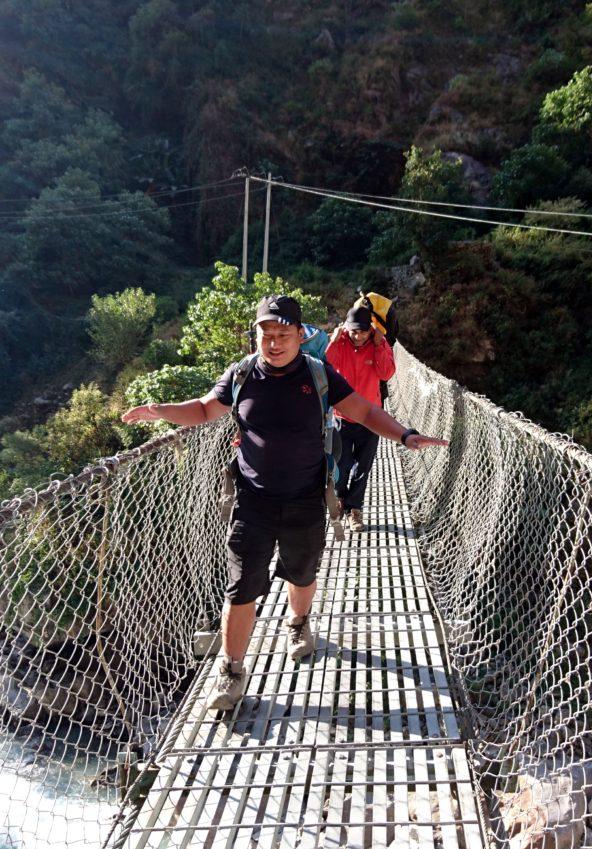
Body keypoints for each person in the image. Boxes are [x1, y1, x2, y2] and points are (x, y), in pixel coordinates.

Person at [121, 294, 446, 714]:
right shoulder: (241, 376)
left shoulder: (318, 373)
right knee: (241, 589)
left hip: (307, 497)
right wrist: (161, 411)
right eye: (266, 334)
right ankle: (232, 669)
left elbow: (364, 411)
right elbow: (203, 411)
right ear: (256, 335)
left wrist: (405, 435)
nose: (274, 343)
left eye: (283, 334)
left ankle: (298, 623)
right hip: (252, 501)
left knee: (302, 572)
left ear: (298, 334)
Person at [325, 304, 396, 532]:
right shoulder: (341, 342)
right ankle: (341, 498)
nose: (358, 336)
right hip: (341, 415)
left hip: (370, 418)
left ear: (370, 330)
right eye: (354, 331)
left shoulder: (379, 343)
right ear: (347, 328)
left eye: (362, 331)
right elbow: (326, 366)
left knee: (362, 467)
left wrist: (379, 347)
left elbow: (386, 373)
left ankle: (354, 510)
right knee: (341, 465)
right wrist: (334, 341)